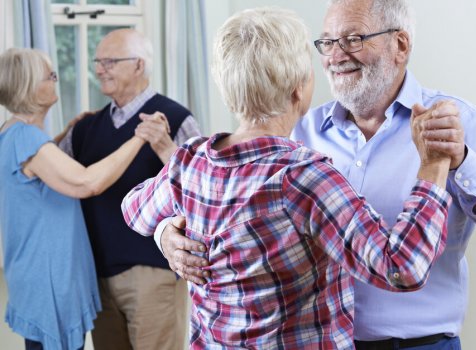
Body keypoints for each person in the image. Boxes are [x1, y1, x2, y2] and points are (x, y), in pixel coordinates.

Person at [157, 0, 476, 348]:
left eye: (353, 38)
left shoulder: (454, 125)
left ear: (401, 45)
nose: (335, 55)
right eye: (326, 42)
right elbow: (214, 207)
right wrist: (168, 234)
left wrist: (461, 162)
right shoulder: (298, 132)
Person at [121, 8, 456, 348]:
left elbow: (133, 209)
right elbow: (401, 267)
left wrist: (164, 232)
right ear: (298, 89)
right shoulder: (303, 177)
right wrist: (433, 165)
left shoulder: (190, 161)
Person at [56, 29, 201, 350]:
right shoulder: (85, 126)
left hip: (153, 273)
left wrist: (163, 146)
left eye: (109, 61)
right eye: (97, 61)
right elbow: (48, 175)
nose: (98, 69)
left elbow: (200, 190)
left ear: (138, 65)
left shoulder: (176, 118)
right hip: (96, 274)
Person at [0, 48, 154, 349]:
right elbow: (87, 183)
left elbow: (34, 172)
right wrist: (140, 137)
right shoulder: (28, 139)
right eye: (50, 75)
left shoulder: (11, 133)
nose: (55, 80)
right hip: (49, 277)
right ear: (30, 86)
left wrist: (64, 134)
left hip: (32, 272)